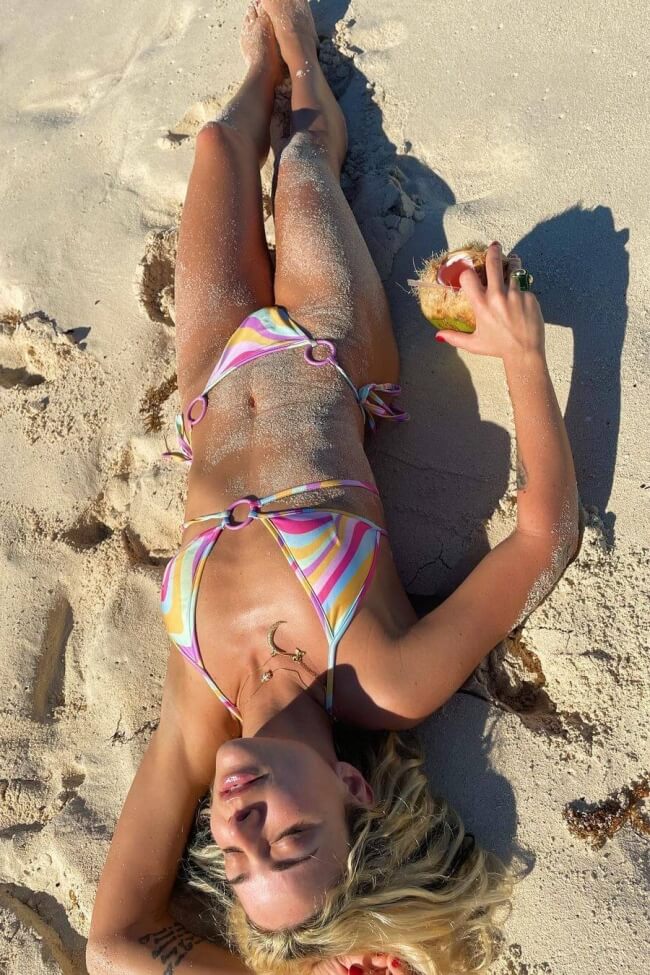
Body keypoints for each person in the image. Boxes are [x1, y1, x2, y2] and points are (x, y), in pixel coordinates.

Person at [87, 2, 581, 973]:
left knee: (221, 147)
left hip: (211, 378)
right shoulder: (385, 678)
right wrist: (522, 356)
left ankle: (258, 71)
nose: (242, 826)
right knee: (303, 159)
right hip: (326, 345)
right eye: (291, 839)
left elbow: (116, 944)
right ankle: (301, 59)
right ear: (353, 792)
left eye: (236, 860)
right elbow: (542, 540)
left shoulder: (199, 715)